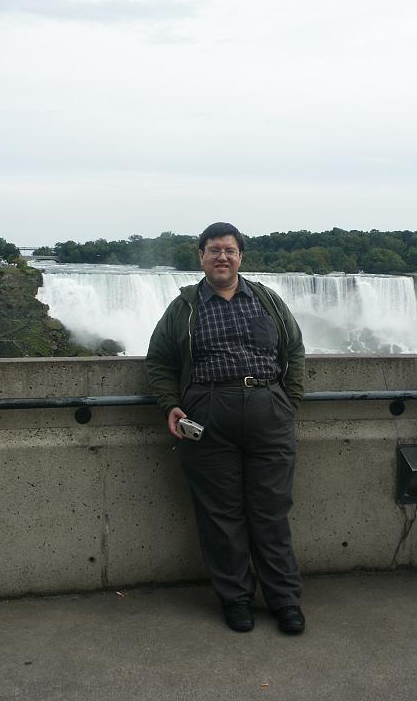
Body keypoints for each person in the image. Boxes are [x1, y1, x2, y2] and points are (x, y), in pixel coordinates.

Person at [146, 222, 306, 633]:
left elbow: (295, 349)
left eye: (229, 250)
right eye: (214, 250)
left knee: (271, 512)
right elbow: (160, 361)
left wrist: (289, 401)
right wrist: (171, 404)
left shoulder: (267, 300)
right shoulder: (184, 307)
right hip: (207, 411)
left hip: (268, 408)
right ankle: (235, 599)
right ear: (200, 257)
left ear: (240, 258)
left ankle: (285, 600)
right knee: (221, 515)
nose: (222, 257)